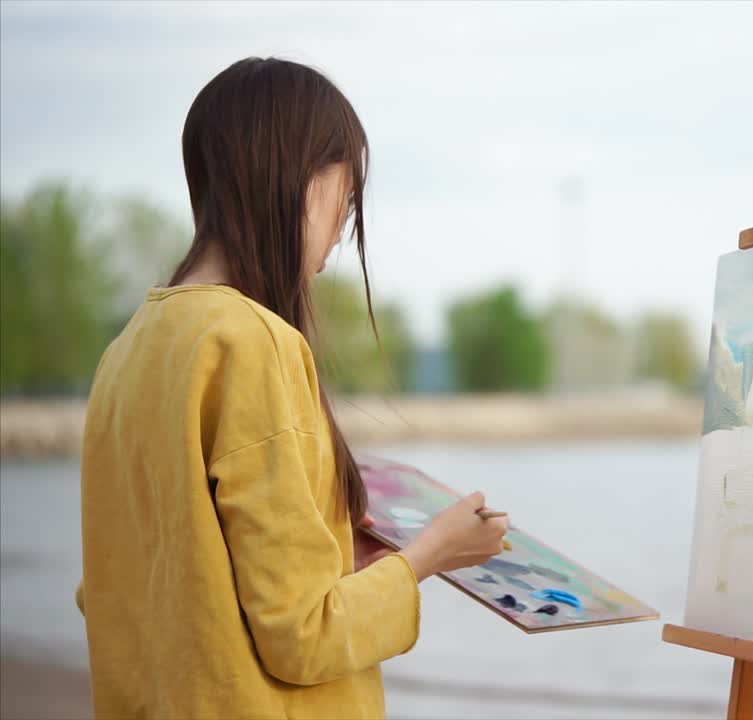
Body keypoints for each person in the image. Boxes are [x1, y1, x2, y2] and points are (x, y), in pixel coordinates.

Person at [74, 57, 507, 718]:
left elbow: (148, 584)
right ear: (299, 178)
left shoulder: (129, 351)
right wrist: (429, 554)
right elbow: (304, 637)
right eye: (346, 192)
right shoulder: (253, 343)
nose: (344, 224)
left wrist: (338, 546)